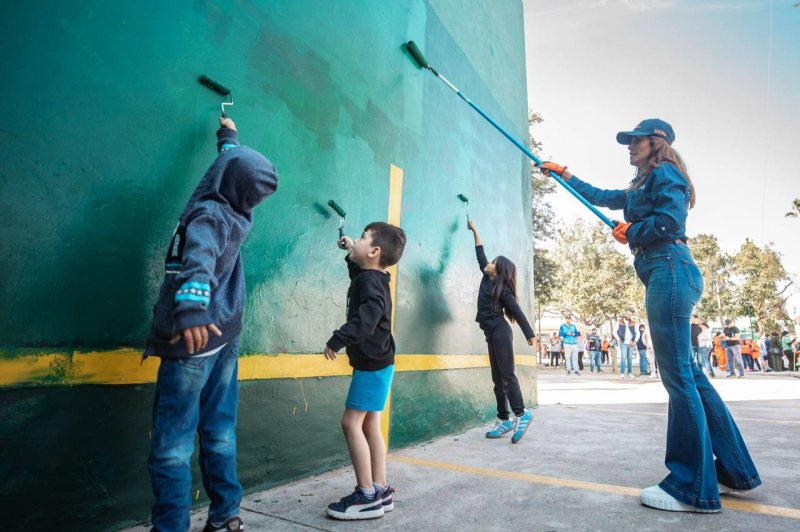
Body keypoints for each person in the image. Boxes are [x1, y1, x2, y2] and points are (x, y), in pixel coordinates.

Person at [541, 118, 760, 512]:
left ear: (657, 143)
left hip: (670, 268)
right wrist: (564, 174)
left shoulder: (666, 173)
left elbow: (670, 222)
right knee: (689, 376)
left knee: (677, 377)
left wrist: (633, 232)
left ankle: (692, 488)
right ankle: (734, 470)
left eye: (636, 140)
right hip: (665, 270)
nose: (629, 146)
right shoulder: (639, 185)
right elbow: (601, 195)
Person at [144, 117, 279, 532]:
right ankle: (226, 515)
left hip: (195, 339)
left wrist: (190, 309)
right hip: (226, 336)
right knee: (219, 430)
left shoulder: (208, 213)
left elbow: (198, 261)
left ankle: (171, 527)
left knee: (172, 445)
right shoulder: (238, 207)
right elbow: (232, 164)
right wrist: (228, 137)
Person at [324, 222, 407, 520]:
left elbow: (367, 317)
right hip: (380, 362)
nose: (356, 241)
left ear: (374, 251)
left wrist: (338, 339)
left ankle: (367, 495)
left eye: (361, 238)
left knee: (351, 424)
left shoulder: (370, 281)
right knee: (370, 425)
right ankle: (380, 489)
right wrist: (350, 251)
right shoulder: (374, 276)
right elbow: (360, 276)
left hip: (372, 365)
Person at [468, 220, 536, 443]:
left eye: (493, 262)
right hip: (490, 332)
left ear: (498, 270)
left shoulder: (503, 290)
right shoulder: (486, 275)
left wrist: (530, 335)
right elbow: (480, 253)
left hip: (500, 331)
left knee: (507, 375)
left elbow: (516, 311)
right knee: (497, 379)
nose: (488, 263)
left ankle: (521, 414)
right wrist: (475, 229)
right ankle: (504, 419)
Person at [613, 313, 637, 379]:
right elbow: (614, 331)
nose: (629, 316)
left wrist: (635, 341)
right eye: (627, 314)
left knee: (630, 359)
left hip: (631, 343)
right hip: (623, 342)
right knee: (623, 358)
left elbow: (637, 333)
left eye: (630, 315)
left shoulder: (633, 322)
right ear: (625, 315)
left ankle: (630, 373)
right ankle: (622, 373)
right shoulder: (619, 322)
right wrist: (618, 339)